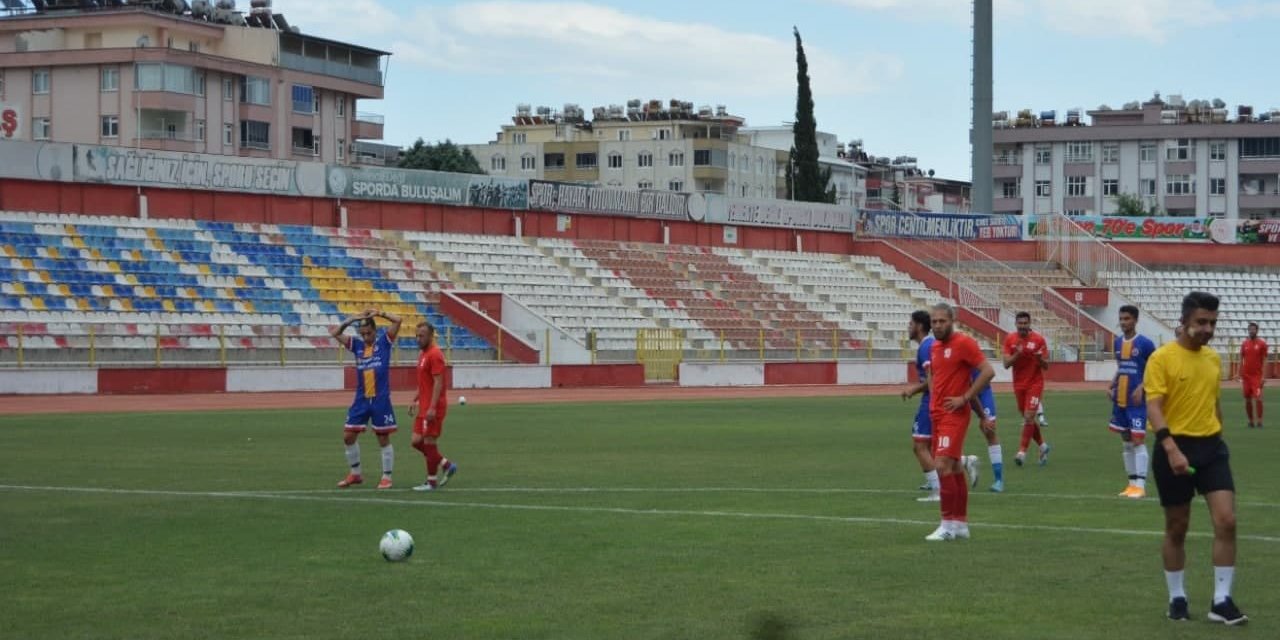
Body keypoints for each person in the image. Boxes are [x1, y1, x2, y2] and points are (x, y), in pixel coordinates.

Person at [1147, 292, 1246, 625]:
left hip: (1211, 448)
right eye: (1201, 322)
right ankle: (1177, 598)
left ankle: (1221, 601)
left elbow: (1213, 402)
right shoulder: (1162, 358)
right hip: (1173, 447)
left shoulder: (1214, 359)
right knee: (1177, 527)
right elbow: (1154, 408)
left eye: (1212, 323)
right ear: (1185, 321)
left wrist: (1219, 435)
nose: (1207, 329)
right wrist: (1171, 449)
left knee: (1227, 521)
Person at [925, 303, 996, 541]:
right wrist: (982, 416)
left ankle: (946, 525)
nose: (937, 325)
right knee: (954, 467)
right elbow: (953, 381)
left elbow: (988, 371)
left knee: (942, 465)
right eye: (934, 321)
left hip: (953, 415)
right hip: (938, 415)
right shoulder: (935, 347)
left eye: (942, 321)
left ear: (952, 321)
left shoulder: (964, 343)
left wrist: (964, 399)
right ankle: (960, 525)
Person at [903, 312, 982, 503]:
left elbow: (933, 378)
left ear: (919, 326)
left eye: (911, 324)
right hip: (935, 402)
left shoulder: (927, 347)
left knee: (920, 445)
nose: (908, 327)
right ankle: (963, 462)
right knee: (932, 448)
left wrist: (928, 399)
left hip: (934, 403)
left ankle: (938, 490)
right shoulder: (931, 345)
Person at [331, 309, 403, 489]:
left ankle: (387, 477)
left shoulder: (384, 342)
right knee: (348, 436)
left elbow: (398, 320)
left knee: (383, 438)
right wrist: (350, 320)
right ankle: (355, 474)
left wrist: (380, 313)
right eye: (362, 334)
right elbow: (335, 333)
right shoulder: (357, 346)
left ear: (375, 331)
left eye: (368, 333)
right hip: (361, 399)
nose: (365, 337)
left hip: (380, 400)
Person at [1109, 305, 1157, 499]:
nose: (1123, 322)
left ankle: (1141, 485)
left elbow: (1155, 370)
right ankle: (1131, 484)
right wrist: (1111, 385)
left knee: (1138, 440)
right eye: (1121, 319)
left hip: (1137, 401)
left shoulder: (1145, 344)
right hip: (1121, 399)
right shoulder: (1118, 342)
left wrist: (1142, 387)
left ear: (1135, 320)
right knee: (1126, 441)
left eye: (1127, 319)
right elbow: (1121, 367)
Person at [409, 321, 457, 492]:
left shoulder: (435, 354)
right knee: (416, 442)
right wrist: (415, 399)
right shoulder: (423, 354)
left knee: (429, 442)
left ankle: (431, 482)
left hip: (432, 406)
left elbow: (438, 383)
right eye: (416, 335)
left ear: (430, 336)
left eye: (421, 335)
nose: (418, 338)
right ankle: (446, 464)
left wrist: (432, 407)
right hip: (423, 405)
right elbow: (424, 382)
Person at [1003, 312, 1051, 467]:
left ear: (1030, 324)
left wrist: (1039, 359)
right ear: (1016, 324)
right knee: (1028, 418)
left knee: (1029, 417)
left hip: (1035, 384)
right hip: (1018, 385)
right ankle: (1043, 446)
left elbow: (1046, 366)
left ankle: (1022, 452)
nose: (1023, 326)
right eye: (1020, 323)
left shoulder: (1039, 340)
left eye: (1025, 323)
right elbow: (1006, 364)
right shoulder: (1010, 339)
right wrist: (1017, 353)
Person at [1239, 322, 1268, 429]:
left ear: (1257, 330)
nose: (1251, 331)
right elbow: (1241, 358)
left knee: (1258, 398)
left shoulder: (1262, 344)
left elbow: (1265, 360)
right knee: (1247, 399)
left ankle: (1259, 421)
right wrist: (1239, 373)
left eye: (1253, 329)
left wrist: (1263, 376)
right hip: (1246, 377)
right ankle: (1251, 421)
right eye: (1250, 329)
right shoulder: (1244, 344)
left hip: (1257, 376)